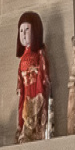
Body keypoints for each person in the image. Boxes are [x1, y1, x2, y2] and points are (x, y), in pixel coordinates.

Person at [16, 11, 50, 143]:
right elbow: (20, 76)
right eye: (21, 31)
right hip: (25, 91)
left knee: (35, 113)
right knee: (24, 113)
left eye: (27, 30)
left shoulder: (39, 54)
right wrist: (19, 87)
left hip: (35, 89)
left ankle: (36, 131)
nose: (23, 34)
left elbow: (43, 72)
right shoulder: (22, 58)